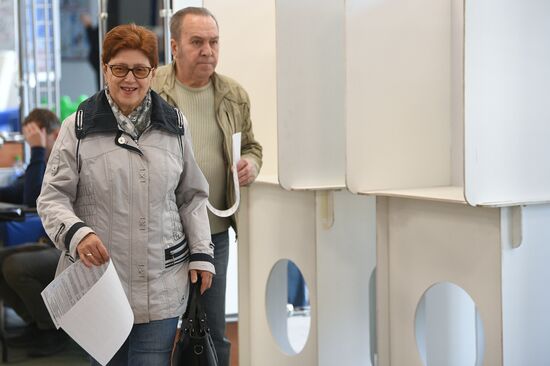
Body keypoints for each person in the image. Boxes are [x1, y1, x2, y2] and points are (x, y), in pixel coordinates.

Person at [37, 23, 215, 366]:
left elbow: (192, 196)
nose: (129, 79)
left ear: (153, 71)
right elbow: (52, 198)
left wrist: (202, 253)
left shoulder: (175, 126)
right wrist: (77, 234)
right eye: (119, 68)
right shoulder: (77, 128)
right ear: (105, 69)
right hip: (100, 287)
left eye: (140, 69)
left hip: (161, 282)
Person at [151, 7, 263, 365]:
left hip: (214, 234)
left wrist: (251, 165)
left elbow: (252, 146)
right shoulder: (151, 90)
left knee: (213, 330)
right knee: (160, 330)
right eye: (197, 42)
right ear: (174, 47)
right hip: (161, 235)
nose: (208, 51)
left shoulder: (234, 94)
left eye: (213, 42)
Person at [0, 108, 67, 357]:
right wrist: (37, 153)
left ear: (56, 134)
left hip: (71, 252)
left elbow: (32, 202)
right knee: (1, 260)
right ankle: (36, 324)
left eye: (34, 137)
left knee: (16, 266)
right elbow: (16, 191)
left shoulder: (65, 161)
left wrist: (38, 150)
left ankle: (53, 330)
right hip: (50, 245)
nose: (30, 143)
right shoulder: (43, 164)